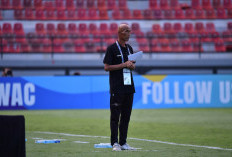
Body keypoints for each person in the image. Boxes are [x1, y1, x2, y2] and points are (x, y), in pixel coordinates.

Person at [103, 24, 136, 151]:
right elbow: (107, 67)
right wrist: (123, 65)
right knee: (115, 117)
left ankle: (123, 143)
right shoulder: (111, 48)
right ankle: (114, 143)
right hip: (117, 88)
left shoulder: (129, 48)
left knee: (126, 117)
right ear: (120, 33)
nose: (129, 33)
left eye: (129, 31)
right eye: (126, 31)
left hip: (129, 87)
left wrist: (132, 66)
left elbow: (132, 66)